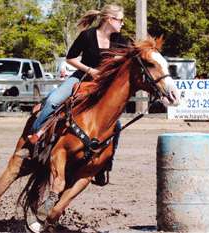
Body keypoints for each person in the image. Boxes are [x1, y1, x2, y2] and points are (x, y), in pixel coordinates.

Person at [29, 4, 128, 185]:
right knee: (52, 101)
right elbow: (71, 58)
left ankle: (105, 165)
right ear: (109, 19)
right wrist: (90, 71)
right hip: (81, 77)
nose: (122, 24)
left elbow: (127, 60)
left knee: (117, 125)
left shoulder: (121, 40)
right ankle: (34, 137)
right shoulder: (87, 35)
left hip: (102, 86)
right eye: (120, 20)